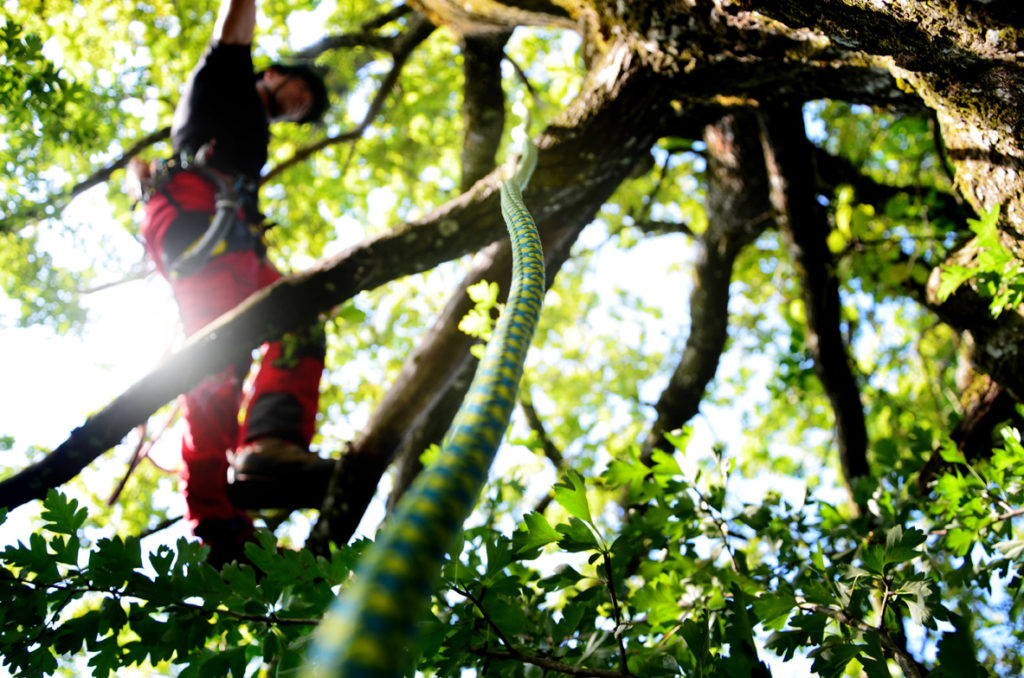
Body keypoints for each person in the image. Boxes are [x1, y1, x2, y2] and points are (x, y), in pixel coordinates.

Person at [128, 0, 333, 567]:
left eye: (305, 109)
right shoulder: (224, 84)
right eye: (300, 90)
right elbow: (231, 32)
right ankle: (236, 491)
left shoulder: (252, 140)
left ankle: (247, 483)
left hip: (228, 238)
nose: (298, 105)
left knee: (276, 335)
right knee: (243, 346)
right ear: (273, 72)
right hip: (199, 225)